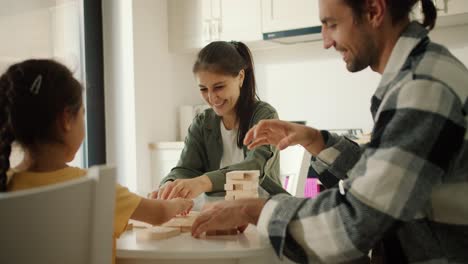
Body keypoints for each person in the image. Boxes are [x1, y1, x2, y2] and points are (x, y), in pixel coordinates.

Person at [191, 0, 468, 263]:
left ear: (373, 10)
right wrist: (315, 140)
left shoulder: (422, 89)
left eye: (331, 24)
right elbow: (385, 180)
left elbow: (353, 224)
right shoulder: (421, 73)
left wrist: (251, 209)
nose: (326, 41)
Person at [0, 59, 193, 262]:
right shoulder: (95, 187)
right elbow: (159, 214)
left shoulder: (6, 185)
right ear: (66, 120)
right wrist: (180, 204)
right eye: (82, 113)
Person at [153, 41, 287, 200]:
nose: (211, 97)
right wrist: (169, 184)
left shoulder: (264, 116)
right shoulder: (202, 123)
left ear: (240, 77)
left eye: (219, 87)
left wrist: (203, 182)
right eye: (203, 89)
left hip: (262, 213)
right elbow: (186, 169)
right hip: (217, 212)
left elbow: (254, 168)